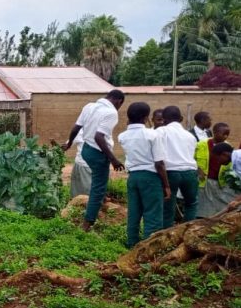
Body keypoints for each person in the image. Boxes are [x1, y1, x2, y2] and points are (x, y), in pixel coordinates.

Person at [62, 90, 126, 231]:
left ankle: (100, 200)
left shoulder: (89, 106)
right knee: (98, 187)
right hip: (98, 153)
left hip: (86, 150)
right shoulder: (111, 113)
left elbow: (76, 128)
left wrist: (69, 143)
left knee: (98, 184)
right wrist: (113, 159)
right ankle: (87, 223)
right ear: (119, 101)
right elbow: (98, 137)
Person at [118, 102, 171, 248]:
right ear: (146, 118)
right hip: (150, 177)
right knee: (153, 214)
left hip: (133, 177)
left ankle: (132, 244)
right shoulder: (152, 135)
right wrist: (166, 185)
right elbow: (159, 163)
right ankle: (149, 248)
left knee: (134, 212)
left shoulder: (122, 136)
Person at [158, 106, 199, 227]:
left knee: (168, 205)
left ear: (164, 119)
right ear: (181, 118)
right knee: (191, 204)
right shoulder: (190, 136)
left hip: (170, 172)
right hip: (190, 172)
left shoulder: (161, 132)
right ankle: (187, 230)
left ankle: (166, 233)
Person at [194, 124, 235, 218]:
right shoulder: (202, 144)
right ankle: (203, 219)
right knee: (204, 203)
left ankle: (216, 218)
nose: (225, 136)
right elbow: (192, 158)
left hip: (219, 180)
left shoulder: (228, 146)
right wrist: (198, 169)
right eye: (223, 134)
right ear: (215, 132)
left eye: (227, 134)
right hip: (204, 179)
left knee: (218, 202)